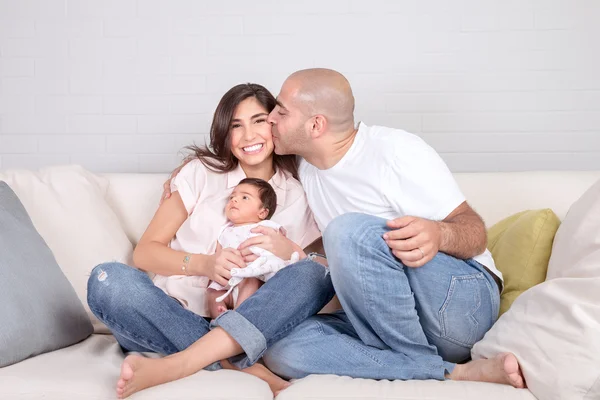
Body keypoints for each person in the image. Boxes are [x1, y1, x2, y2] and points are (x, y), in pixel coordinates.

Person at [111, 69, 525, 398]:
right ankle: (443, 372)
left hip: (455, 301)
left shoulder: (392, 152)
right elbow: (327, 264)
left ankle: (186, 361)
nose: (269, 123)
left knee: (341, 236)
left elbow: (472, 231)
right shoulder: (304, 172)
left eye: (276, 114)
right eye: (245, 123)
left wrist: (438, 234)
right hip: (384, 320)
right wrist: (191, 171)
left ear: (315, 124)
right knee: (281, 348)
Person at [86, 83, 332, 399]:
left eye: (259, 121)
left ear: (275, 124)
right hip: (168, 314)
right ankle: (237, 362)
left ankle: (185, 362)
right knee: (108, 280)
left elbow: (304, 283)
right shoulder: (200, 173)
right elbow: (145, 253)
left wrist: (294, 253)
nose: (249, 136)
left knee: (312, 273)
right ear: (224, 133)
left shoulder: (297, 194)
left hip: (248, 318)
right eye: (236, 125)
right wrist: (204, 264)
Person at [206, 177, 298, 318]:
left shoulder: (266, 227)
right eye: (232, 197)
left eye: (244, 197)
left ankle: (237, 317)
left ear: (262, 213)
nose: (234, 200)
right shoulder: (224, 230)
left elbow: (282, 246)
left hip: (253, 278)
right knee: (212, 292)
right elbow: (218, 254)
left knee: (251, 280)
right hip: (229, 281)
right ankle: (219, 317)